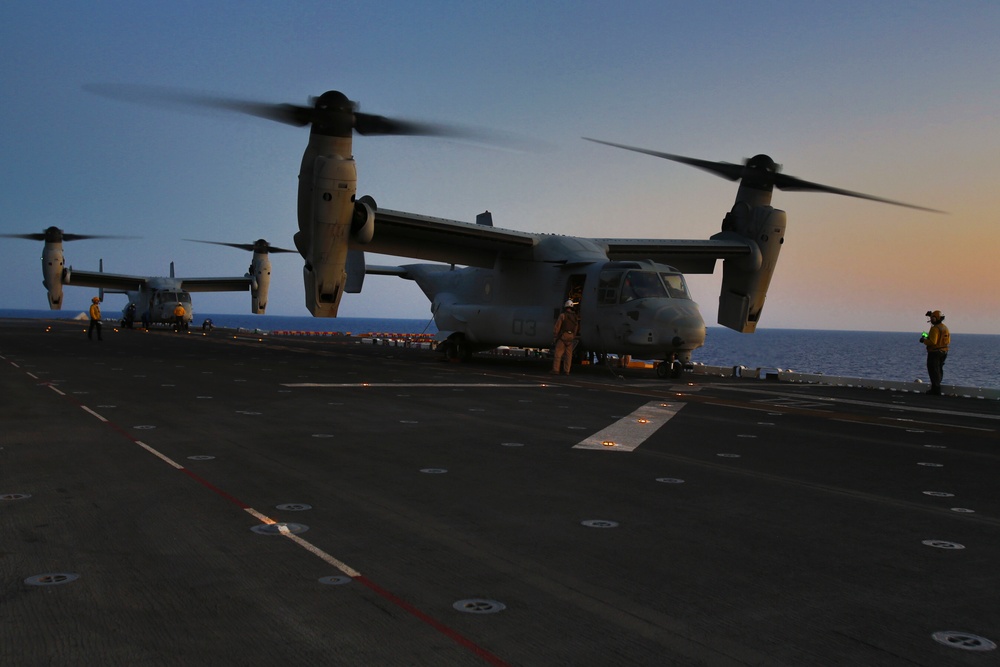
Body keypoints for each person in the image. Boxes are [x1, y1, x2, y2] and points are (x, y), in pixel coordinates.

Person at [919, 309, 950, 395]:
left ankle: (935, 390)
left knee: (933, 370)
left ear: (936, 318)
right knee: (939, 369)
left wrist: (924, 340)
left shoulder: (935, 329)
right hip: (944, 351)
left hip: (934, 352)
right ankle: (937, 386)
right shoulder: (944, 327)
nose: (931, 320)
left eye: (933, 318)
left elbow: (933, 342)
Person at [551, 299, 580, 375]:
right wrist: (573, 335)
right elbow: (576, 328)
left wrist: (555, 335)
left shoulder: (562, 315)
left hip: (563, 336)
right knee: (568, 355)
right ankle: (567, 371)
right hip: (571, 337)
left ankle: (556, 370)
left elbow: (557, 326)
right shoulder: (575, 317)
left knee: (558, 353)